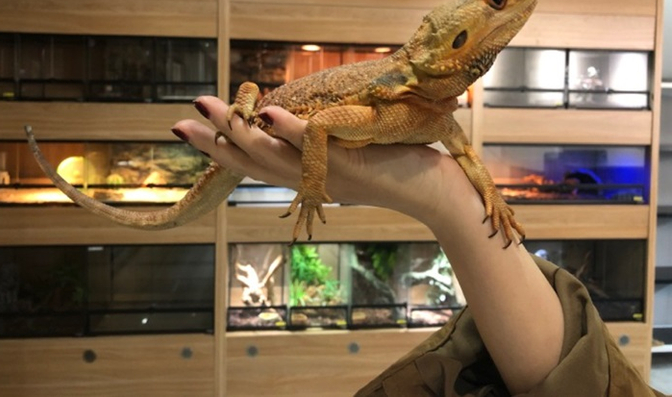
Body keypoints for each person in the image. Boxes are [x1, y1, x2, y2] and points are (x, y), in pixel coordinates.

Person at [173, 96, 667, 397]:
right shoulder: (399, 97)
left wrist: (453, 195)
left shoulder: (439, 122)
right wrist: (318, 182)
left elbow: (463, 157)